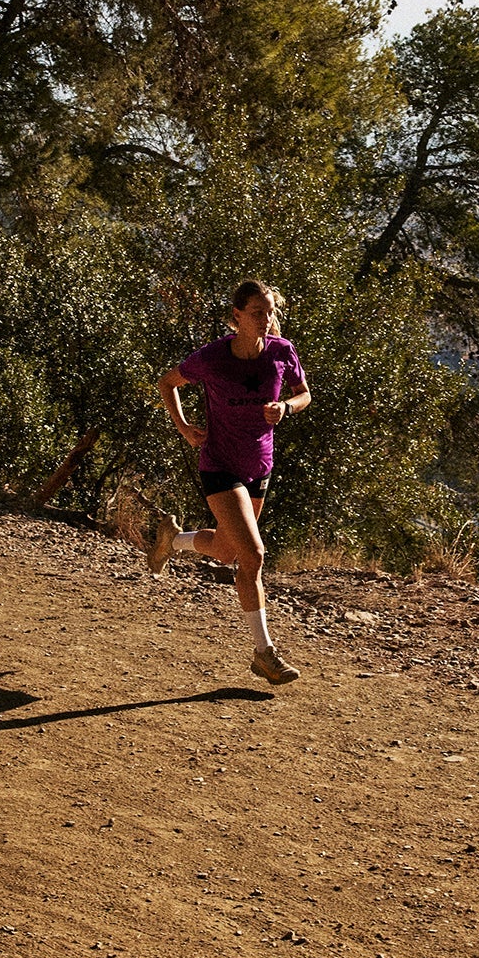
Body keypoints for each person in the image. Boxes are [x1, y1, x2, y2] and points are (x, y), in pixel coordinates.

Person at [150, 279, 311, 685]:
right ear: (236, 316)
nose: (266, 319)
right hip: (219, 466)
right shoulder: (213, 357)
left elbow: (304, 393)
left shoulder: (282, 351)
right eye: (257, 312)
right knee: (253, 555)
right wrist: (184, 426)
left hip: (260, 467)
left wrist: (286, 408)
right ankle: (264, 653)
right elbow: (167, 382)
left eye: (270, 311)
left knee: (225, 552)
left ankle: (173, 541)